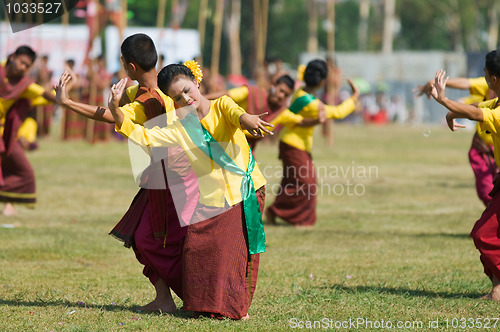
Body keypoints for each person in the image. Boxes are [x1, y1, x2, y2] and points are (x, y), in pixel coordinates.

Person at [109, 61, 270, 320]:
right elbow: (142, 135)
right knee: (194, 248)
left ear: (196, 83)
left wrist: (248, 120)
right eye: (177, 98)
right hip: (212, 198)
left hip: (242, 192)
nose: (185, 99)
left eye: (186, 90)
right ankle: (205, 304)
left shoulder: (222, 105)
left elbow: (237, 115)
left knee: (231, 252)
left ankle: (236, 309)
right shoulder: (180, 128)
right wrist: (115, 109)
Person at [56, 33, 195, 313]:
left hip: (170, 179)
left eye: (122, 62)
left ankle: (192, 294)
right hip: (171, 175)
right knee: (145, 235)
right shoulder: (168, 86)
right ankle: (165, 300)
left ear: (130, 67)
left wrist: (68, 103)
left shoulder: (148, 100)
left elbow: (110, 116)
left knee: (151, 238)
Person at [429, 50, 500, 301]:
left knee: (484, 234)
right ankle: (498, 290)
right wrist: (451, 113)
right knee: (486, 232)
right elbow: (476, 107)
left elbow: (478, 114)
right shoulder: (496, 103)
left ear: (492, 79)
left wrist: (443, 101)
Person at [265, 59, 360, 227]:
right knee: (306, 183)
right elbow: (337, 112)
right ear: (322, 81)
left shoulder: (301, 92)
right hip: (293, 145)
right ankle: (287, 215)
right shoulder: (311, 103)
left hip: (295, 144)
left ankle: (282, 214)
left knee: (294, 182)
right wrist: (354, 97)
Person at [415, 76, 497, 206]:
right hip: (483, 149)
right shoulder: (488, 85)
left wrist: (445, 102)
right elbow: (472, 99)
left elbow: (476, 112)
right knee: (487, 193)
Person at [0, 46, 55, 216]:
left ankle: (8, 203)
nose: (23, 68)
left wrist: (64, 92)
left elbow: (47, 96)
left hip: (3, 134)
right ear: (13, 57)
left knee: (24, 171)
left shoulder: (24, 84)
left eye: (27, 66)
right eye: (22, 62)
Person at [205, 74, 325, 151]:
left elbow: (300, 121)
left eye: (285, 95)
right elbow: (225, 96)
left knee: (255, 186)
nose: (281, 96)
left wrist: (317, 120)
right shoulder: (252, 92)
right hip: (224, 143)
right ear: (274, 85)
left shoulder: (281, 112)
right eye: (281, 90)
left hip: (246, 151)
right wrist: (200, 98)